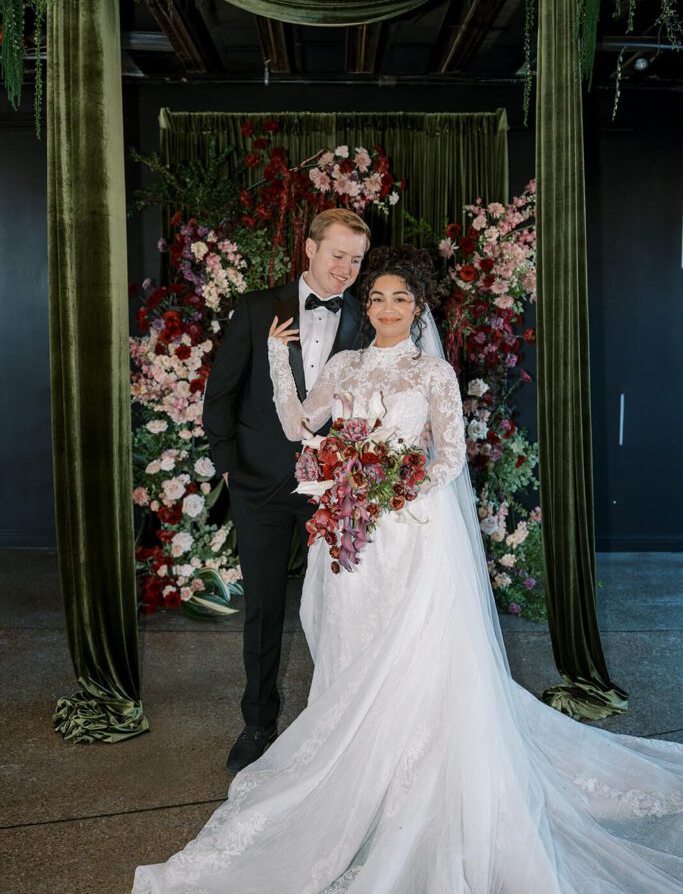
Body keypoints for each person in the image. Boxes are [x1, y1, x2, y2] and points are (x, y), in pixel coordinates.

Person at [134, 247, 683, 894]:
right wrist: (282, 365)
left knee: (415, 656)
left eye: (399, 298)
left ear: (417, 307)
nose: (386, 308)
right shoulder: (344, 363)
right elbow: (301, 423)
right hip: (347, 535)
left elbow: (449, 457)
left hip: (410, 533)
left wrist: (392, 489)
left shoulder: (432, 376)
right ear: (365, 309)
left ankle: (413, 779)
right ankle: (353, 768)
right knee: (349, 643)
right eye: (376, 298)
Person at [202, 207, 371, 773]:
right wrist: (229, 466)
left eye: (356, 260)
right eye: (337, 255)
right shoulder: (256, 309)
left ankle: (341, 725)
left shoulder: (368, 320)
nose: (345, 270)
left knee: (341, 609)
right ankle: (257, 722)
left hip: (333, 491)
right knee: (264, 608)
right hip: (260, 485)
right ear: (309, 248)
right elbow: (221, 392)